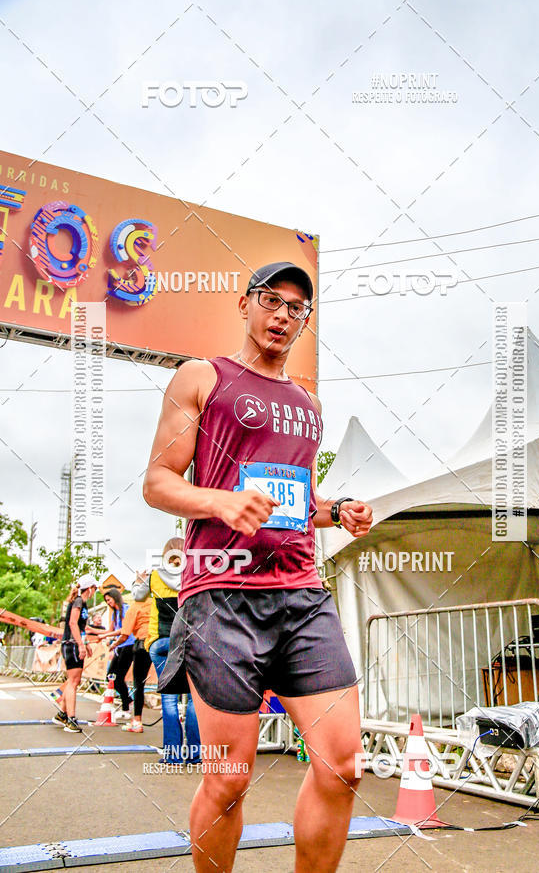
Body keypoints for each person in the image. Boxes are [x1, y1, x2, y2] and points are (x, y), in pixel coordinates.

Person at [143, 261, 373, 872]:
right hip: (220, 594)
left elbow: (291, 505)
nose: (282, 316)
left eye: (297, 309)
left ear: (305, 323)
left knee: (341, 764)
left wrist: (339, 508)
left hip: (301, 594)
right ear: (245, 304)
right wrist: (219, 500)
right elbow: (158, 483)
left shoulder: (308, 403)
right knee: (228, 779)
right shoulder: (201, 377)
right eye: (272, 300)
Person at [137, 538, 201, 763]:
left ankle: (172, 754)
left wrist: (140, 581)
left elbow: (137, 596)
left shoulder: (154, 576)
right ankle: (195, 754)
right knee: (194, 697)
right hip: (189, 641)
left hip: (160, 641)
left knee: (169, 698)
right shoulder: (194, 573)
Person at [53, 573, 98, 732]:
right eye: (95, 589)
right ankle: (71, 719)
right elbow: (72, 623)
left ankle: (63, 714)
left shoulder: (82, 603)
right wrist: (80, 644)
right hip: (71, 644)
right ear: (91, 589)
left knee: (74, 680)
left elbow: (80, 627)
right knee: (73, 681)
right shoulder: (78, 601)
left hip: (74, 643)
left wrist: (85, 642)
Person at [108, 581, 152, 732]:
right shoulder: (155, 604)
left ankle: (137, 722)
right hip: (159, 643)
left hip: (142, 645)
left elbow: (124, 634)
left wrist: (114, 645)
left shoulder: (134, 607)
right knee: (167, 686)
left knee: (139, 684)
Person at [97, 587, 135, 720]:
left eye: (109, 600)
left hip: (128, 645)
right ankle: (127, 700)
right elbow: (111, 629)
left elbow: (123, 631)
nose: (108, 603)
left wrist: (108, 638)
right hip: (119, 646)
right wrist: (95, 631)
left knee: (119, 677)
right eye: (106, 601)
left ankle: (127, 704)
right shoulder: (114, 613)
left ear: (115, 597)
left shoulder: (125, 609)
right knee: (111, 675)